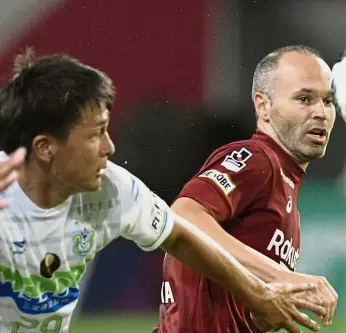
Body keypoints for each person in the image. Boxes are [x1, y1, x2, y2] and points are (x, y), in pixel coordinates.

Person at [0, 49, 326, 333]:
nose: (109, 147)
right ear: (45, 148)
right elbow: (189, 214)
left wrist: (259, 293)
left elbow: (180, 235)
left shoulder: (113, 190)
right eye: (95, 135)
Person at [155, 45, 339, 333]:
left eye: (328, 101)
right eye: (304, 98)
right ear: (263, 106)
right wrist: (280, 275)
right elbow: (183, 215)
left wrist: (260, 320)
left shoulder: (286, 193)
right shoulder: (256, 159)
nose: (321, 113)